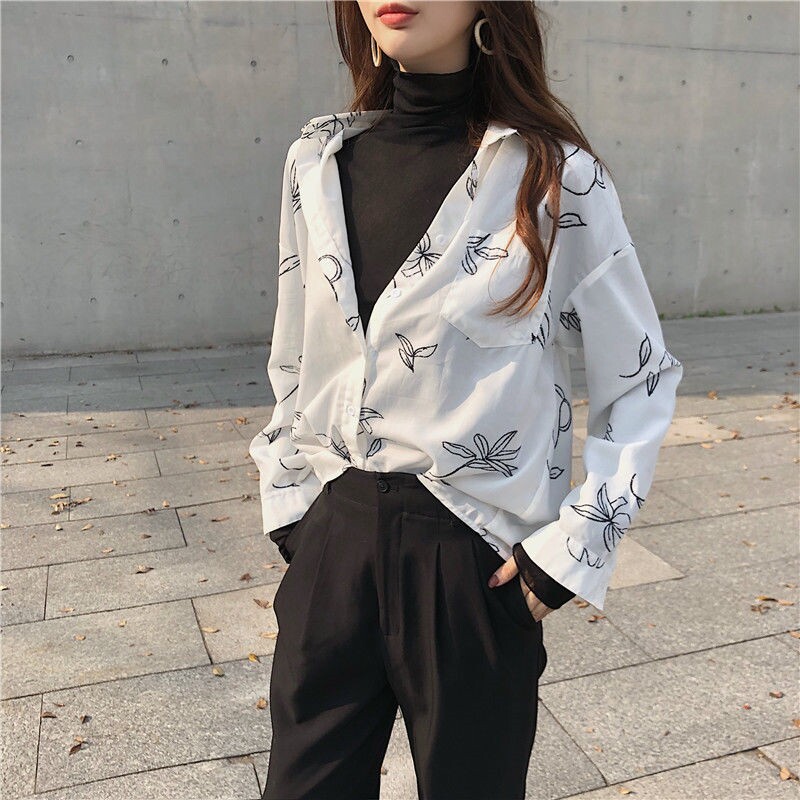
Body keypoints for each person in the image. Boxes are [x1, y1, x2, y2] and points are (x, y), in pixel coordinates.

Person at [249, 3, 683, 798]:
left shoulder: (552, 175)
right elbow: (295, 347)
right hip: (334, 542)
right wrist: (290, 504)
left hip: (470, 562)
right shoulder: (318, 161)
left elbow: (641, 373)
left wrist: (570, 553)